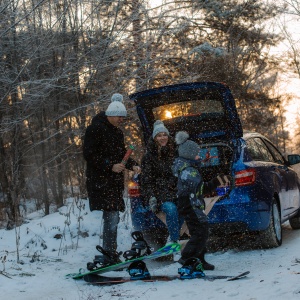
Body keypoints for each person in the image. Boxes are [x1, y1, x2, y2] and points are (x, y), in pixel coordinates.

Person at [83, 93, 141, 265]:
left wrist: (133, 165)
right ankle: (109, 253)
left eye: (123, 117)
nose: (121, 120)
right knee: (112, 215)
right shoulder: (95, 129)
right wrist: (110, 166)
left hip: (114, 182)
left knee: (113, 215)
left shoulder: (117, 133)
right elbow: (89, 155)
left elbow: (121, 154)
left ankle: (111, 252)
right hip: (101, 181)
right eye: (119, 117)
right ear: (110, 114)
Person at [172, 131, 231, 271]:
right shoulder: (188, 171)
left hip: (192, 204)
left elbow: (199, 189)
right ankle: (187, 257)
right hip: (190, 205)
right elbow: (200, 189)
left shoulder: (188, 168)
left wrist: (214, 183)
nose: (199, 156)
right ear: (189, 155)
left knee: (199, 231)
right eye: (197, 154)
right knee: (201, 231)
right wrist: (215, 182)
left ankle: (199, 259)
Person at [140, 120, 182, 247]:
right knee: (171, 209)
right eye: (159, 135)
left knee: (188, 207)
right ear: (154, 138)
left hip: (176, 192)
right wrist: (152, 197)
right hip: (160, 195)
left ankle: (175, 235)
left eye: (164, 134)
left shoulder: (175, 152)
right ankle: (174, 242)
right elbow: (146, 181)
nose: (162, 137)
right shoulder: (148, 157)